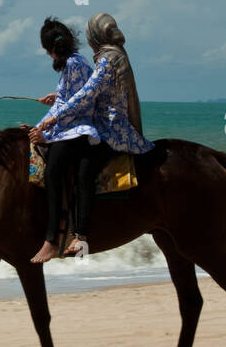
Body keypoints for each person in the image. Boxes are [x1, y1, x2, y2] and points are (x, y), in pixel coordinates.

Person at [33, 13, 154, 257]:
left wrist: (54, 118)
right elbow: (91, 90)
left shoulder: (108, 59)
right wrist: (58, 100)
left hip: (110, 128)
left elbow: (89, 93)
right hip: (101, 124)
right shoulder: (103, 58)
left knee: (83, 172)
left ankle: (78, 236)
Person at [28, 18, 106, 263]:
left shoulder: (73, 65)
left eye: (47, 51)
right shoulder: (75, 63)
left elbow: (78, 103)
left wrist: (46, 126)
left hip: (79, 129)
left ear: (52, 49)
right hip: (72, 126)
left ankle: (52, 240)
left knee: (52, 173)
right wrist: (50, 109)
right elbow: (66, 99)